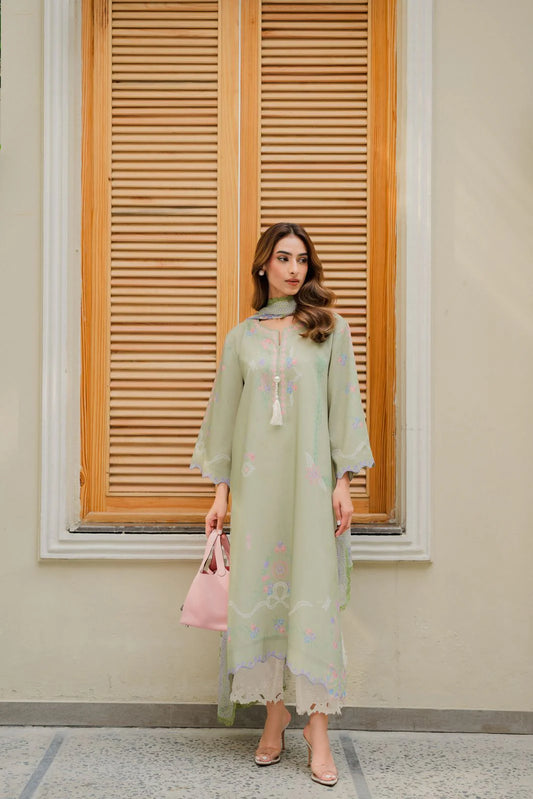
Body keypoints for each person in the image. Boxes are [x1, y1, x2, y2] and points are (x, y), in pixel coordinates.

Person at [189, 222, 374, 787]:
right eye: (283, 258)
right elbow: (224, 418)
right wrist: (221, 493)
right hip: (256, 489)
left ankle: (318, 729)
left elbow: (344, 407)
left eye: (302, 260)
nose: (294, 269)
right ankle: (275, 715)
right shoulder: (241, 339)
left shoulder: (329, 329)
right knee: (261, 596)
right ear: (263, 266)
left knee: (311, 597)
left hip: (311, 484)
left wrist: (344, 481)